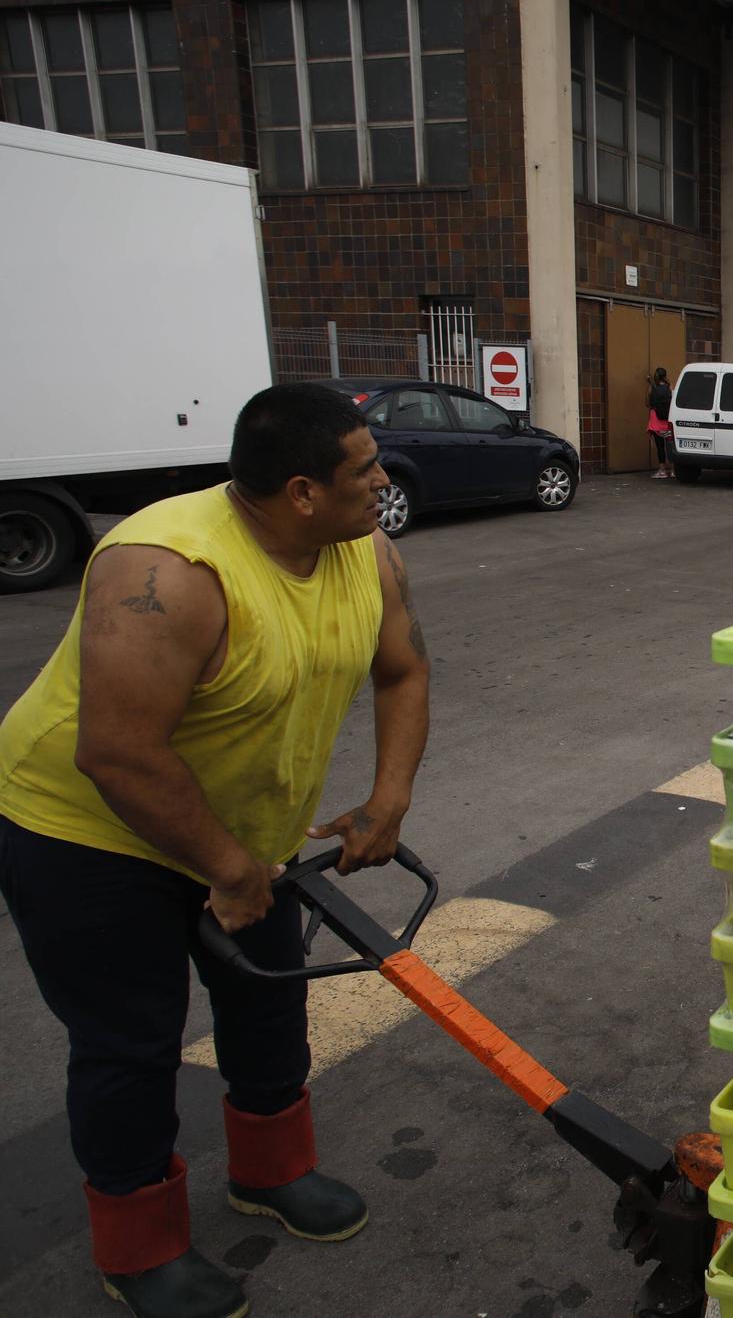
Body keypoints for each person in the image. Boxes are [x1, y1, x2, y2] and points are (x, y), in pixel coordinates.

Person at [0, 383, 430, 1318]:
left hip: (243, 829)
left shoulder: (367, 552)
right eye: (365, 471)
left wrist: (388, 798)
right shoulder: (169, 572)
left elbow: (403, 668)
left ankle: (270, 1173)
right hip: (87, 831)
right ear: (303, 493)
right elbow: (115, 751)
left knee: (266, 996)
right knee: (129, 1041)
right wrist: (229, 871)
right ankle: (139, 1244)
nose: (383, 483)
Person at [646, 367, 674, 479]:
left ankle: (662, 470)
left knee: (660, 446)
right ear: (665, 376)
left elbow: (647, 403)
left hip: (656, 421)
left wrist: (649, 385)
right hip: (668, 421)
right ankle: (673, 470)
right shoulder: (670, 387)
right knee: (670, 446)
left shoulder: (652, 387)